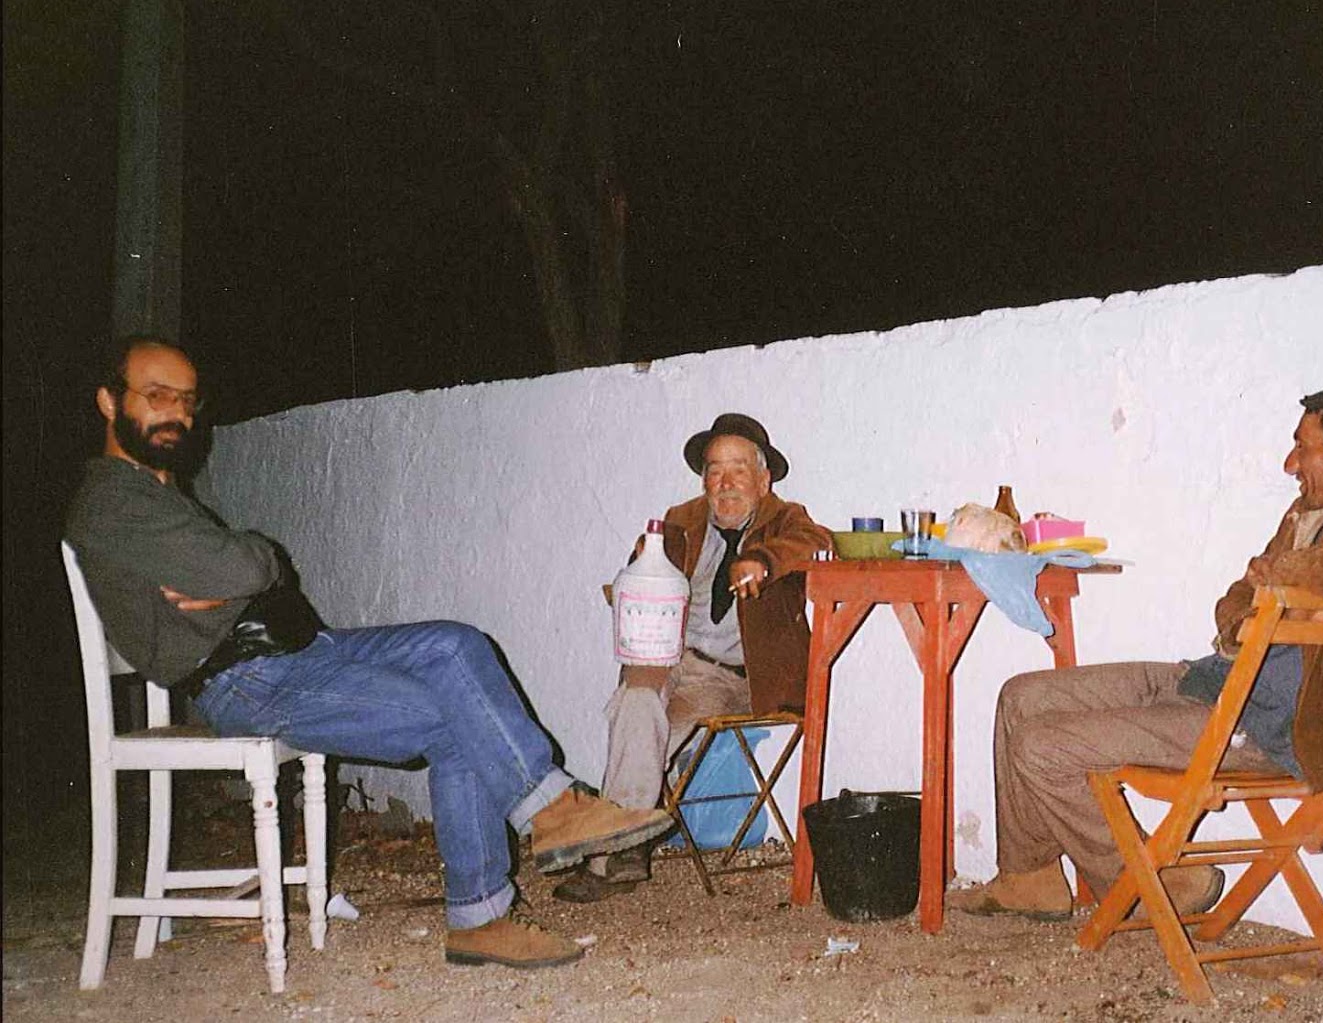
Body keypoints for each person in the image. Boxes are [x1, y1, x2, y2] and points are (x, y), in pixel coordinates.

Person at [64, 336, 675, 970]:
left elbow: (241, 574)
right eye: (156, 395)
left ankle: (549, 808)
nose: (175, 412)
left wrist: (247, 567)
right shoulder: (113, 499)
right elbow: (243, 568)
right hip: (245, 679)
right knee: (453, 718)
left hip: (300, 651)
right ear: (109, 401)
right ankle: (485, 914)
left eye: (186, 400)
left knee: (455, 645)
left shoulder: (157, 492)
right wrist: (258, 560)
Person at [951, 383, 1323, 920]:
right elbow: (1235, 600)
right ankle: (1029, 879)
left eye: (1302, 447)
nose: (1290, 464)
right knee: (1022, 696)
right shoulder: (1307, 517)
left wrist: (1280, 583)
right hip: (1215, 681)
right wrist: (1281, 609)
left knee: (1041, 746)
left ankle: (1148, 885)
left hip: (1271, 726)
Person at [553, 413, 833, 902]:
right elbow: (645, 579)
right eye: (714, 470)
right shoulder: (681, 520)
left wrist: (763, 561)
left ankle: (610, 854)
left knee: (652, 728)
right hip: (669, 656)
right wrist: (640, 565)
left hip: (734, 676)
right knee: (635, 701)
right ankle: (621, 848)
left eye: (739, 469)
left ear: (764, 478)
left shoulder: (787, 519)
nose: (725, 482)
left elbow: (818, 543)